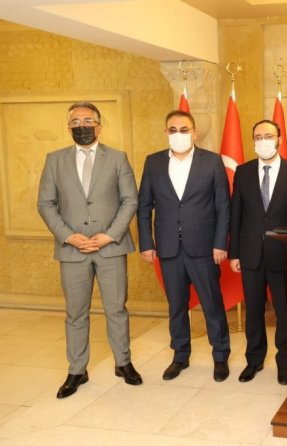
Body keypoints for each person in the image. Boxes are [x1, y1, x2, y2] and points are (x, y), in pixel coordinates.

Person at [37, 102, 142, 399]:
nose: (81, 125)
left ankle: (123, 363)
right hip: (73, 251)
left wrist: (109, 236)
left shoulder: (118, 158)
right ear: (68, 127)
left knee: (116, 309)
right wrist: (69, 236)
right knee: (75, 313)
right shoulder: (55, 160)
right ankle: (77, 370)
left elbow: (130, 200)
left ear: (99, 125)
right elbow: (45, 203)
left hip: (111, 248)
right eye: (75, 121)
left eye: (87, 120)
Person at [137, 110, 232, 382]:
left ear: (194, 133)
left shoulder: (212, 161)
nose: (178, 134)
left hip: (204, 248)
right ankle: (180, 355)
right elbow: (144, 206)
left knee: (212, 304)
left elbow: (223, 206)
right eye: (173, 129)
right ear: (166, 132)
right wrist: (146, 243)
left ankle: (220, 356)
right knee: (176, 306)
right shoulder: (153, 162)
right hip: (168, 248)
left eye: (184, 129)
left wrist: (220, 243)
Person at [229, 119, 287, 385]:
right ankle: (254, 360)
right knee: (253, 310)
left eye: (268, 136)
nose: (263, 141)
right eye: (258, 136)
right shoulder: (243, 172)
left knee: (284, 313)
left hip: (283, 255)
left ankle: (285, 363)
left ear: (279, 140)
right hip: (250, 253)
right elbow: (236, 214)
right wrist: (234, 253)